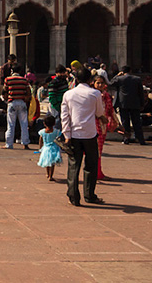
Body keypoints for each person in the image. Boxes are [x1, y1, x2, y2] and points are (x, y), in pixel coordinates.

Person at [60, 68, 105, 207]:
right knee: (91, 165)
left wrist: (66, 135)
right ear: (90, 80)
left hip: (73, 134)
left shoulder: (68, 94)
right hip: (90, 134)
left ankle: (73, 196)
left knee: (74, 166)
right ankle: (89, 195)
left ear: (76, 79)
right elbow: (99, 112)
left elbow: (64, 116)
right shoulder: (95, 93)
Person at [108, 66, 145, 145]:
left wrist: (117, 75)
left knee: (125, 122)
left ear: (122, 72)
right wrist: (142, 103)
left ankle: (126, 138)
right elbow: (141, 93)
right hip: (135, 103)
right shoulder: (137, 79)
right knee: (136, 122)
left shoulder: (120, 79)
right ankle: (140, 139)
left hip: (123, 103)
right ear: (130, 70)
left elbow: (110, 83)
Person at [92, 74, 117, 180]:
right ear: (93, 83)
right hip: (92, 125)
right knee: (93, 150)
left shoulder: (106, 95)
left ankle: (97, 172)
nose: (100, 84)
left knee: (99, 150)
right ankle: (95, 173)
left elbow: (110, 109)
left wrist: (115, 122)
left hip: (102, 125)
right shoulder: (92, 95)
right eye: (98, 82)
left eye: (102, 83)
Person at [2, 64, 32, 149]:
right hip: (22, 102)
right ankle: (25, 143)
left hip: (12, 102)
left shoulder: (8, 79)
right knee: (24, 124)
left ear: (12, 71)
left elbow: (4, 92)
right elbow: (28, 92)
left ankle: (9, 144)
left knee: (11, 124)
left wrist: (7, 99)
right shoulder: (24, 80)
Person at [37, 113, 63, 183]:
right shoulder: (56, 132)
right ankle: (51, 176)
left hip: (46, 148)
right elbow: (59, 139)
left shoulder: (42, 132)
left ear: (44, 123)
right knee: (52, 164)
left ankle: (48, 174)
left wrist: (40, 148)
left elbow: (41, 140)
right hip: (54, 148)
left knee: (47, 163)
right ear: (54, 123)